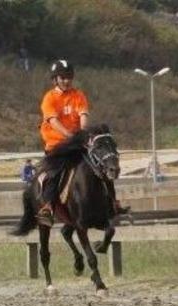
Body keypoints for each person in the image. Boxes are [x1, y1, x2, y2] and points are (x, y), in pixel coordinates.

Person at [37, 60, 124, 225]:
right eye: (63, 77)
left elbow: (83, 116)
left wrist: (83, 134)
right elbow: (53, 121)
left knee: (100, 165)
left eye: (69, 77)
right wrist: (69, 135)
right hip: (56, 145)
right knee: (53, 172)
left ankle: (113, 202)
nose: (66, 80)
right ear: (55, 79)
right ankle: (48, 207)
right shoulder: (49, 98)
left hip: (77, 142)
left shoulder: (78, 95)